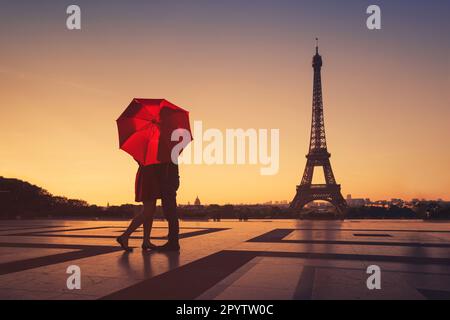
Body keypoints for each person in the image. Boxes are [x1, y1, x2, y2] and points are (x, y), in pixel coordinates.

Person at [116, 162, 180, 252]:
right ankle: (125, 236)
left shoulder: (149, 155)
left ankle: (146, 241)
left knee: (150, 211)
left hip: (149, 178)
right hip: (148, 179)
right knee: (148, 211)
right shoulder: (151, 157)